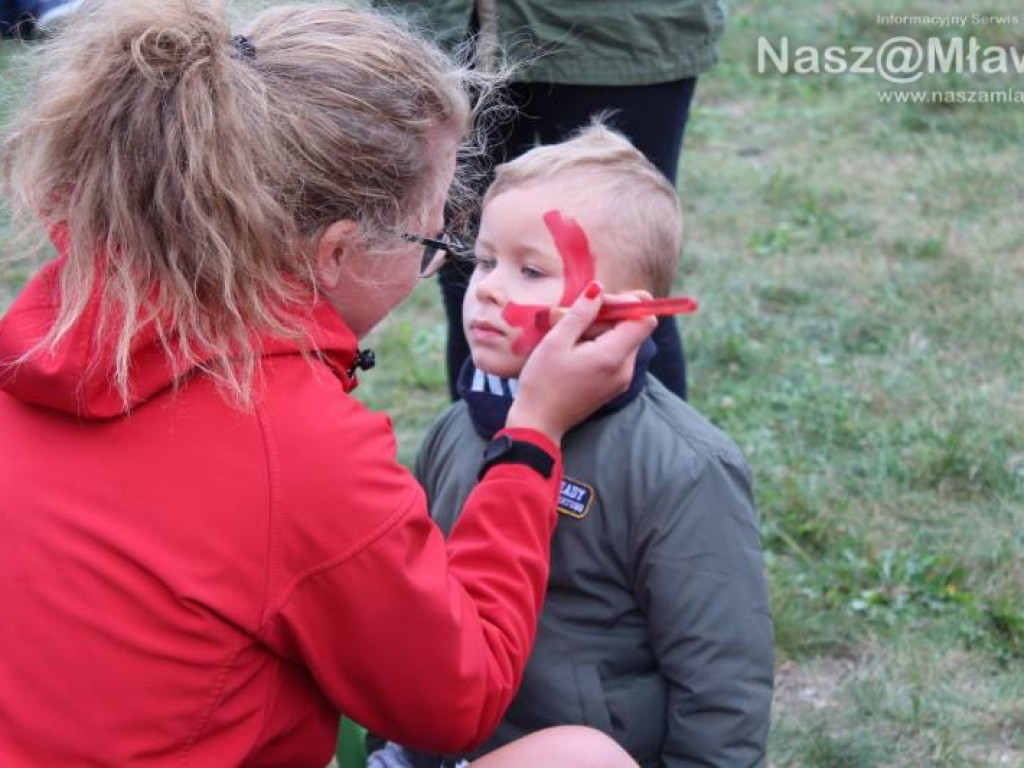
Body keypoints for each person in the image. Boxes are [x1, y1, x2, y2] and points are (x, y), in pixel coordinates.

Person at [0, 3, 656, 766]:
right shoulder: (297, 448)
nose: (442, 262)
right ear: (337, 252)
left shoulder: (55, 326)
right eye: (435, 238)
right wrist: (536, 432)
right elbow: (457, 700)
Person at [372, 125, 774, 768]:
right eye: (484, 261)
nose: (491, 289)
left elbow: (722, 680)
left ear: (619, 314)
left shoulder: (684, 470)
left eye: (532, 269)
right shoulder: (456, 430)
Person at [377, 0, 728, 402]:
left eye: (529, 272)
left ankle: (629, 450)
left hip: (621, 28)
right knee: (466, 266)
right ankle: (491, 449)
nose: (493, 289)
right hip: (447, 26)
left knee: (621, 272)